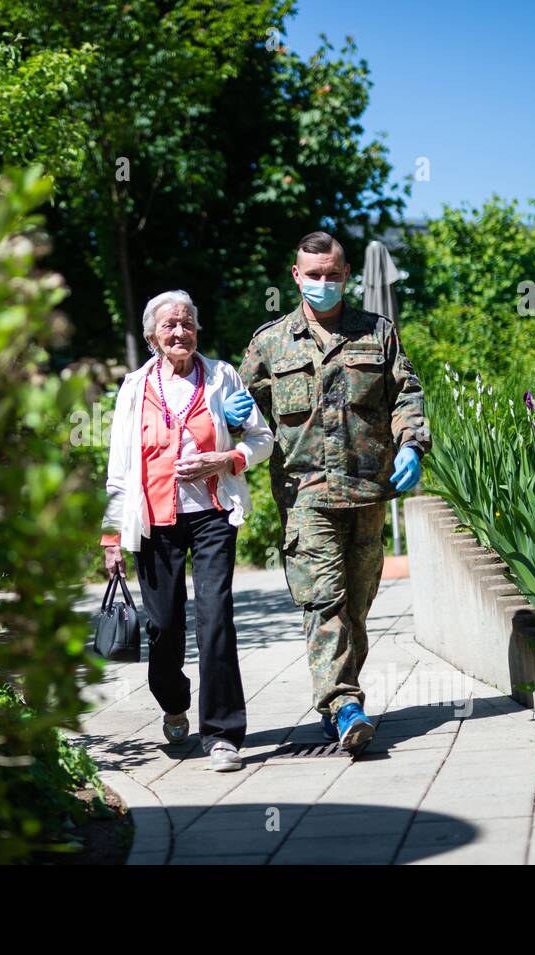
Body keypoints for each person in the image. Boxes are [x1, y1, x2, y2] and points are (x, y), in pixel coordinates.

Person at [224, 231, 432, 757]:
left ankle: (335, 706)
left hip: (366, 492)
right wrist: (228, 419)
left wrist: (411, 443)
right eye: (313, 275)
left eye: (332, 274)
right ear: (296, 277)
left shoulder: (376, 333)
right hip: (306, 495)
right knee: (327, 603)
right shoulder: (271, 343)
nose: (323, 283)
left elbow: (405, 392)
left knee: (357, 608)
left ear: (346, 275)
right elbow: (237, 406)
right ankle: (345, 705)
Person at [101, 290, 273, 772]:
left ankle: (222, 734)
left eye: (187, 323)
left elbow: (262, 440)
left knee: (216, 616)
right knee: (164, 628)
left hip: (215, 513)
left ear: (197, 328)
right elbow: (118, 469)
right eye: (169, 325)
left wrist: (229, 457)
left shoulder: (223, 377)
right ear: (152, 335)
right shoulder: (134, 388)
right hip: (154, 520)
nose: (179, 332)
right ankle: (173, 702)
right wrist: (111, 536)